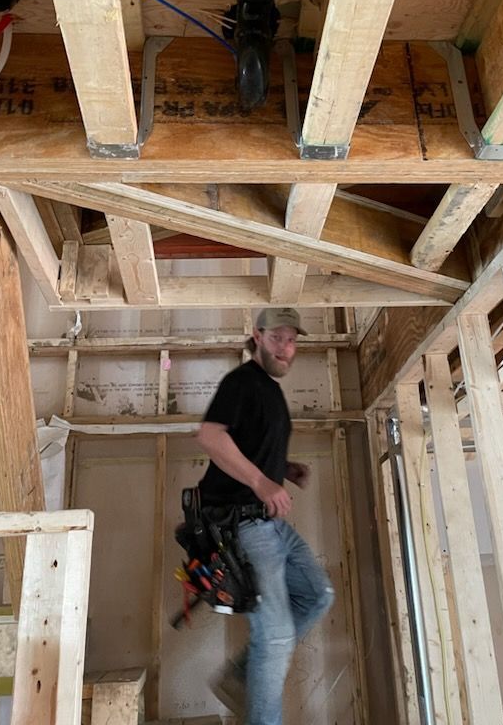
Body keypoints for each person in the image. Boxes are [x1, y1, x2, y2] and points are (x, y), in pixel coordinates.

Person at [196, 307, 334, 725]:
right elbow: (210, 435)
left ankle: (240, 676)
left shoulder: (269, 391)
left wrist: (283, 469)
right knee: (274, 637)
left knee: (317, 595)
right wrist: (261, 483)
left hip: (269, 524)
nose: (286, 348)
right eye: (277, 338)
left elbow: (248, 443)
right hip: (240, 524)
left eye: (292, 340)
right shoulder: (242, 382)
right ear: (256, 336)